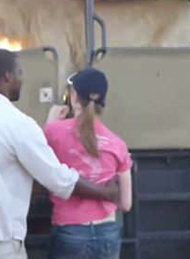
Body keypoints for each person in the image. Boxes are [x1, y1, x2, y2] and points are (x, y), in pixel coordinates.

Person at [0, 50, 119, 259]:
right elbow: (56, 177)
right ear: (7, 77)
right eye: (19, 72)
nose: (22, 79)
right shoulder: (17, 123)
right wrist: (105, 193)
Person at [44, 68, 133, 259]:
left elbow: (40, 159)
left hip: (70, 232)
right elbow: (126, 204)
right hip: (107, 232)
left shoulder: (54, 132)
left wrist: (50, 121)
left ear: (74, 97)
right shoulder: (118, 144)